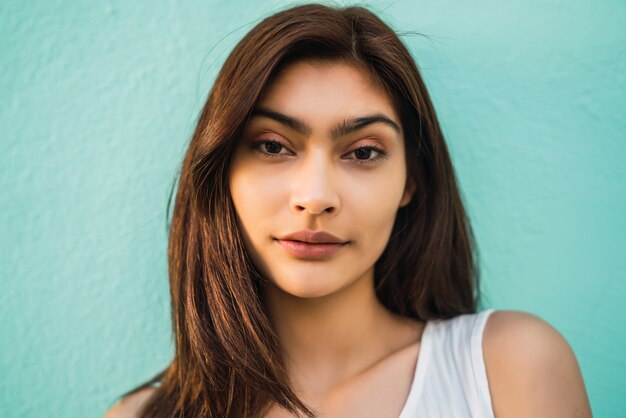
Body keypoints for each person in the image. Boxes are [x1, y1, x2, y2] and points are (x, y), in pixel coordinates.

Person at [104, 3, 592, 417]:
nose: (316, 197)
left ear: (412, 182)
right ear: (222, 173)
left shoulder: (509, 368)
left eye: (362, 152)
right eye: (273, 146)